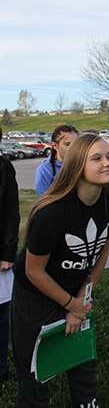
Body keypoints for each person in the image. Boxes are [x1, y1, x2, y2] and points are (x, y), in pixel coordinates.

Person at [11, 133, 109, 408]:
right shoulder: (50, 213)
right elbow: (34, 271)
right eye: (97, 158)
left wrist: (80, 303)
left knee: (83, 372)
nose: (108, 164)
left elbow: (101, 257)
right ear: (77, 165)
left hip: (77, 296)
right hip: (36, 299)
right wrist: (71, 305)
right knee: (36, 380)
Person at [0, 126, 20, 384]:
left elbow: (11, 211)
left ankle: (1, 368)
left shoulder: (4, 167)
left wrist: (8, 252)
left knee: (1, 314)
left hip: (0, 253)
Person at [35, 125, 79, 198]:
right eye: (67, 144)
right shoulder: (44, 170)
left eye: (75, 144)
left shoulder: (84, 165)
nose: (72, 148)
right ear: (55, 145)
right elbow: (43, 202)